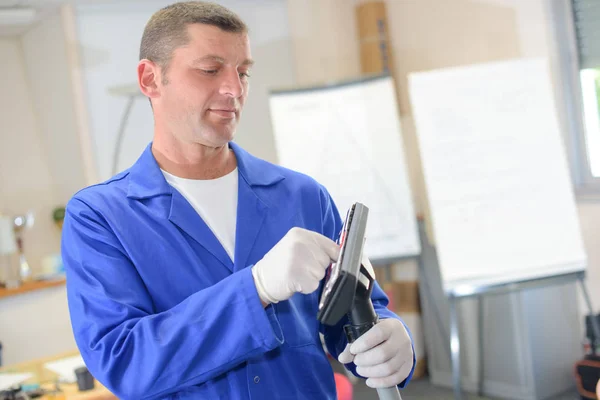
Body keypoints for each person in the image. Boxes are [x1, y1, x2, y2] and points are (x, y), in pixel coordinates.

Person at [61, 2, 415, 399]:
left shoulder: (303, 196)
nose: (234, 89)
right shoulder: (100, 218)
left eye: (243, 72)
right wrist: (257, 286)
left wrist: (390, 339)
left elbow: (355, 316)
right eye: (210, 70)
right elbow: (124, 360)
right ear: (150, 79)